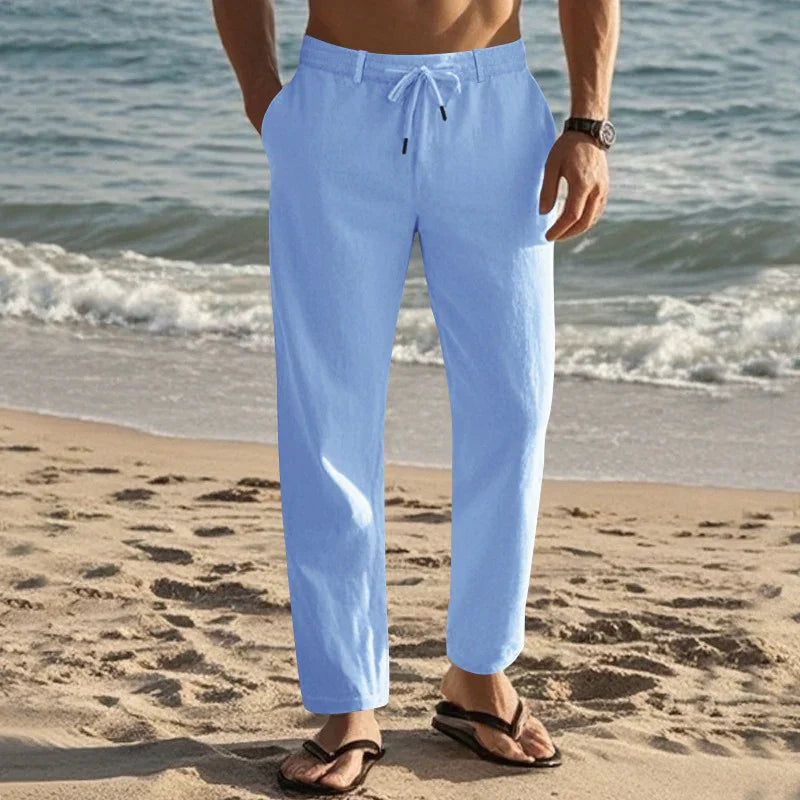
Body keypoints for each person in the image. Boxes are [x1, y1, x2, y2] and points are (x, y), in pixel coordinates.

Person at [213, 0, 617, 792]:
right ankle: (347, 702)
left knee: (514, 405)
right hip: (335, 111)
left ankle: (478, 674)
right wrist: (266, 99)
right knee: (329, 416)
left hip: (493, 111)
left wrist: (589, 125)